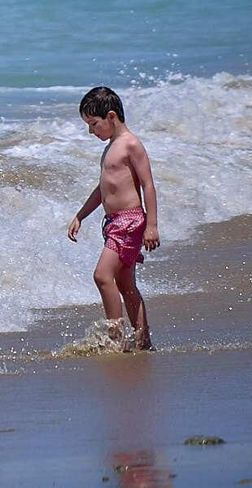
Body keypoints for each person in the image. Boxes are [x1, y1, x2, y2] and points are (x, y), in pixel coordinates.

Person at [66, 86, 160, 350]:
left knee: (102, 275)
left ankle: (114, 338)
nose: (90, 131)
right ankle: (142, 340)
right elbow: (102, 189)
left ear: (111, 116)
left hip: (129, 221)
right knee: (125, 283)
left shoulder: (130, 144)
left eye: (93, 124)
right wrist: (80, 215)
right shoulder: (110, 148)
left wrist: (151, 225)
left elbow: (148, 185)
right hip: (114, 223)